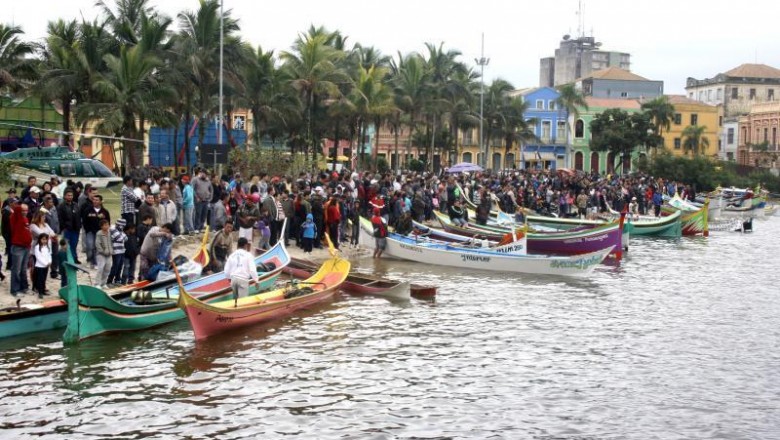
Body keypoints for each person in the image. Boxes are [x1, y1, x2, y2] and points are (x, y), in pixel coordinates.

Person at [82, 194, 110, 268]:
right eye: (94, 200)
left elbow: (108, 222)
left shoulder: (105, 212)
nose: (95, 201)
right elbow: (84, 221)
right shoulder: (88, 210)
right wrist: (87, 230)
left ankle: (95, 262)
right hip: (90, 232)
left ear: (101, 201)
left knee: (98, 248)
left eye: (97, 200)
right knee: (90, 246)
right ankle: (89, 260)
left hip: (100, 233)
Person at [9, 202, 32, 295]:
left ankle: (24, 287)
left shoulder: (25, 218)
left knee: (23, 269)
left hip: (26, 247)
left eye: (26, 210)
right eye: (23, 210)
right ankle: (15, 289)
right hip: (18, 247)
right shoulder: (15, 218)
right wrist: (19, 204)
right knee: (16, 269)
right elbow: (17, 209)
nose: (24, 212)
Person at [57, 189, 82, 265]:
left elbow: (78, 216)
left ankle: (74, 258)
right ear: (64, 196)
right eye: (68, 195)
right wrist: (64, 227)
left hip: (76, 229)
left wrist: (79, 225)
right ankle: (64, 259)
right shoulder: (61, 206)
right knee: (66, 245)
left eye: (71, 195)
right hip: (67, 229)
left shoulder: (75, 205)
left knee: (74, 244)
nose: (70, 197)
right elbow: (60, 218)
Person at [106, 219, 127, 287]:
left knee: (120, 266)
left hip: (122, 250)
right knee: (115, 266)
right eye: (122, 226)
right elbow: (120, 238)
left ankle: (117, 280)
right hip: (116, 251)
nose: (123, 227)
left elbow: (126, 238)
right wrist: (122, 235)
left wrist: (121, 235)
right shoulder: (113, 229)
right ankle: (109, 281)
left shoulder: (120, 231)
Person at [95, 219, 113, 289]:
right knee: (100, 268)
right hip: (101, 255)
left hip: (109, 254)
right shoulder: (99, 233)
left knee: (107, 269)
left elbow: (111, 242)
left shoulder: (109, 233)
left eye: (108, 224)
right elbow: (97, 244)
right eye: (105, 225)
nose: (107, 226)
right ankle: (97, 284)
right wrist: (103, 251)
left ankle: (103, 283)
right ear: (101, 226)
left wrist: (111, 251)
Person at [32, 234, 51, 298]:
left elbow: (49, 255)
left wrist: (49, 262)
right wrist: (45, 263)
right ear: (40, 239)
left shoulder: (47, 247)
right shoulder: (37, 247)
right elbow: (38, 257)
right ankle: (40, 292)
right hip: (39, 266)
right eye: (43, 239)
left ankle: (43, 290)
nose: (44, 241)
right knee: (40, 279)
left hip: (46, 266)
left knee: (44, 279)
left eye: (45, 239)